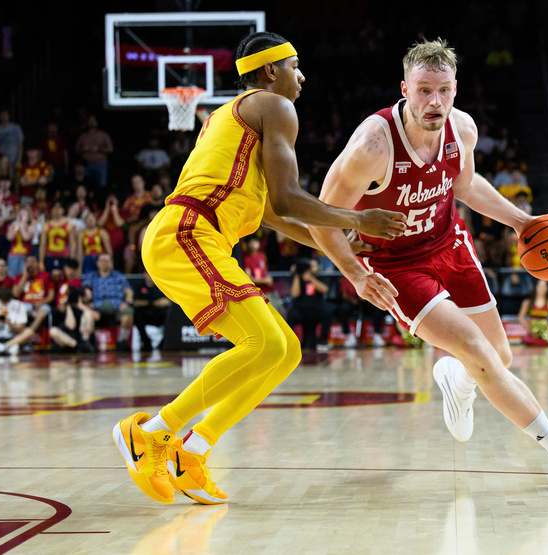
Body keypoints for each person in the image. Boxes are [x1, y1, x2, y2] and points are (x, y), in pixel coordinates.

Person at [113, 32, 405, 506]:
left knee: (283, 351)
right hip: (188, 232)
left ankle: (195, 449)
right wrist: (357, 218)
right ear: (272, 71)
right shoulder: (273, 106)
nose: (302, 77)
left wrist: (349, 263)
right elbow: (291, 198)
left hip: (194, 237)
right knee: (264, 342)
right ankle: (150, 432)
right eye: (295, 65)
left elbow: (275, 213)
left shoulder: (237, 119)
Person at [310, 39, 548, 491]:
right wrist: (356, 273)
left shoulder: (461, 130)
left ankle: (456, 382)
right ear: (405, 88)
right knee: (481, 353)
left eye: (443, 90)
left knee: (498, 356)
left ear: (455, 89)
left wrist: (522, 221)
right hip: (396, 265)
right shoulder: (373, 145)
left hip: (449, 243)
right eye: (423, 90)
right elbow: (321, 218)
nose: (434, 101)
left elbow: (465, 185)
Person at [286, 256, 333, 351]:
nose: (311, 268)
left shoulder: (320, 277)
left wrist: (311, 279)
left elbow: (325, 289)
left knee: (327, 312)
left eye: (313, 266)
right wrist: (297, 276)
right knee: (291, 315)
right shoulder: (298, 277)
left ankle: (323, 342)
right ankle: (289, 343)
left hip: (316, 309)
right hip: (301, 309)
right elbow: (295, 294)